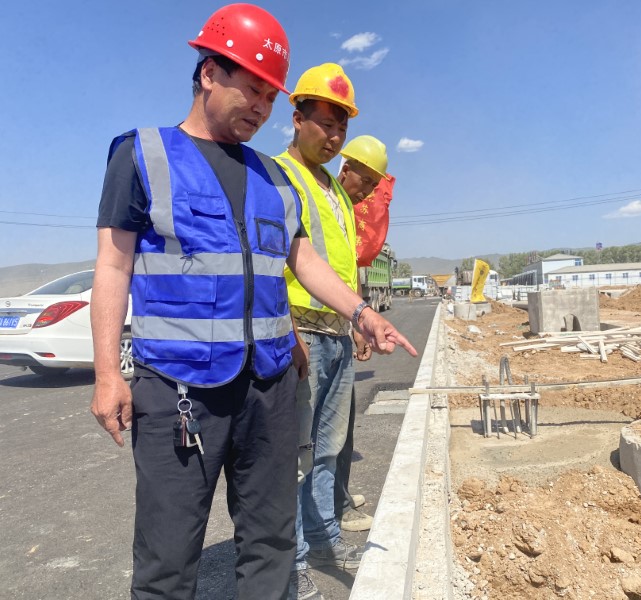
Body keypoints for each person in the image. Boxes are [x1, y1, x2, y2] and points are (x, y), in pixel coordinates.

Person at [89, 7, 417, 600]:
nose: (262, 108)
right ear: (208, 72)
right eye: (252, 89)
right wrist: (108, 374)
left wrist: (362, 313)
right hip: (178, 388)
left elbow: (304, 260)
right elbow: (112, 266)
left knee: (270, 544)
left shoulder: (274, 177)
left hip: (267, 386)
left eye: (270, 96)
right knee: (167, 558)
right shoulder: (143, 155)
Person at [274, 63, 377, 598]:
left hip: (336, 334)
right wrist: (286, 328)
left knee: (328, 449)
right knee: (295, 454)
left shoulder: (335, 188)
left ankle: (324, 539)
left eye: (341, 128)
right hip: (301, 335)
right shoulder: (277, 175)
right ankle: (290, 561)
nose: (334, 137)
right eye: (325, 124)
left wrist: (355, 320)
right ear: (297, 119)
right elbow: (269, 260)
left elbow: (340, 264)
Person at [333, 135, 393, 533]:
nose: (369, 191)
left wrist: (357, 328)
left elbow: (348, 272)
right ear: (346, 169)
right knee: (324, 435)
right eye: (365, 181)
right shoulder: (328, 202)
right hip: (315, 329)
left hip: (339, 327)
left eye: (374, 185)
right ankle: (332, 507)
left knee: (342, 426)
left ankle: (337, 494)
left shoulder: (347, 209)